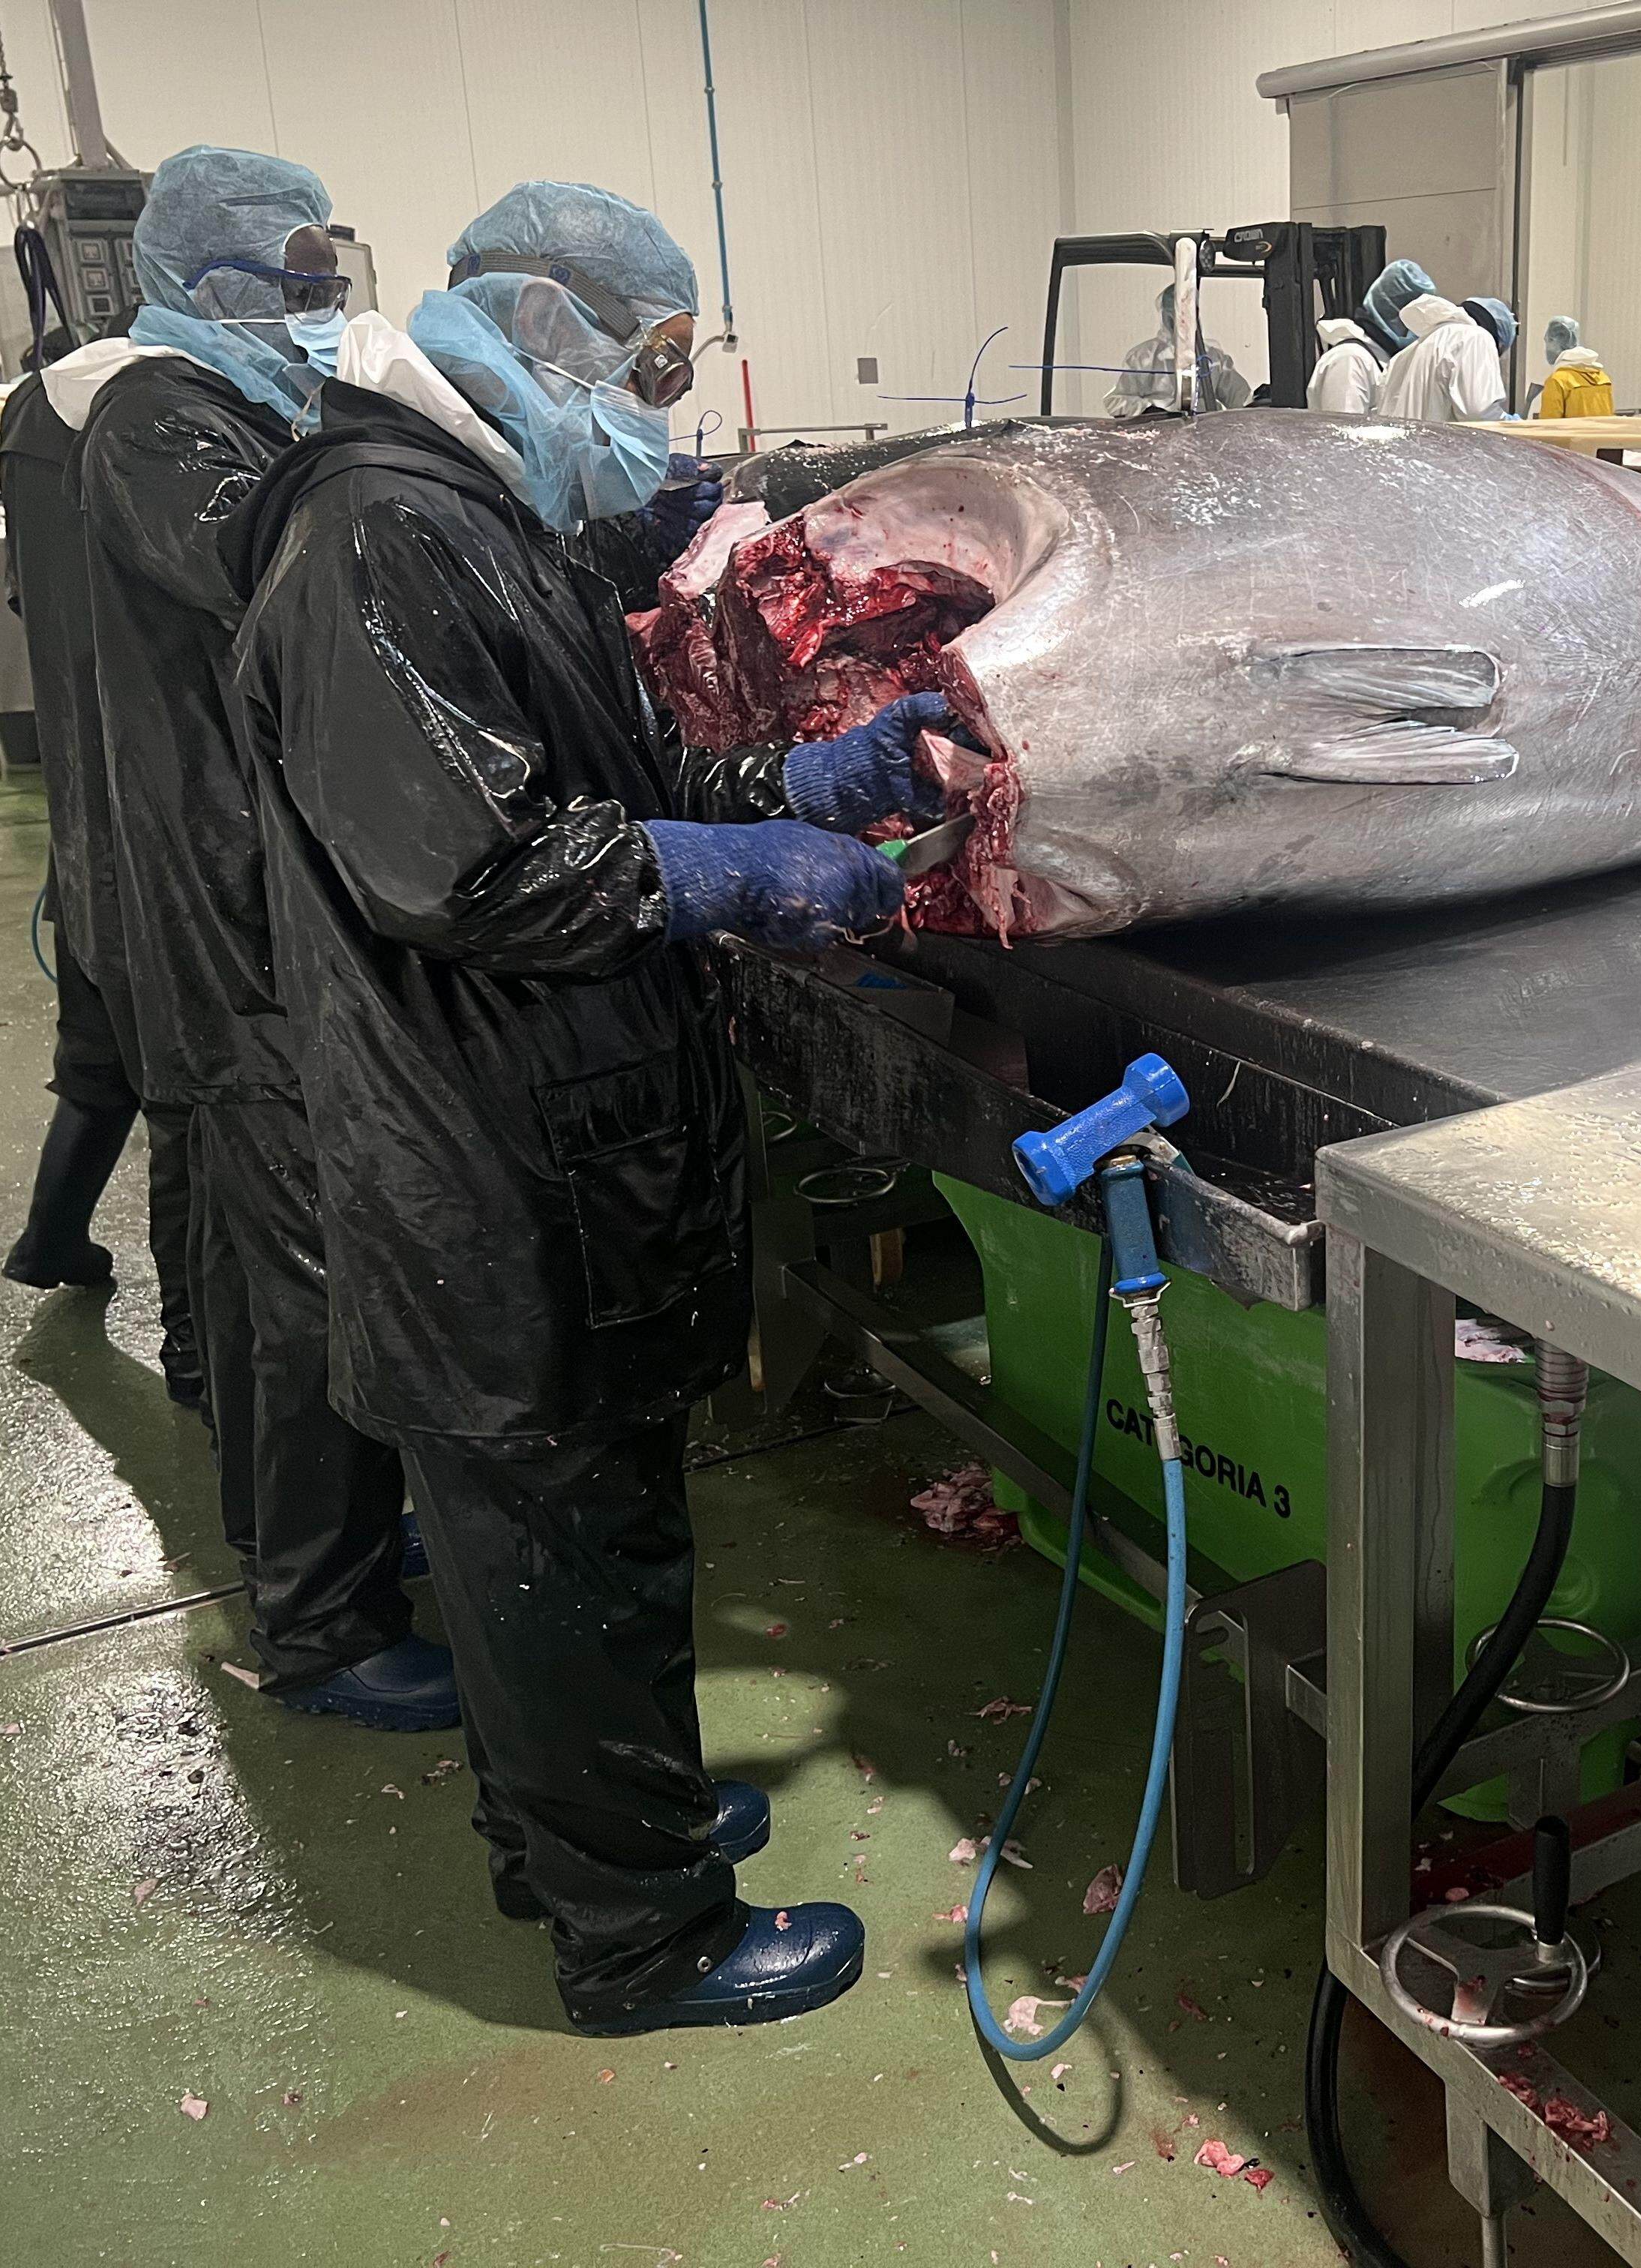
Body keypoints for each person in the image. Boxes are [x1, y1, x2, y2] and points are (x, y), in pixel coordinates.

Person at [219, 180, 946, 2036]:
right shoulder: (378, 536)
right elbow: (476, 866)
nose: (655, 412)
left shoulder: (478, 518)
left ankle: (580, 1831)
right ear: (548, 329)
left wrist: (802, 787)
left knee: (581, 1535)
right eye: (653, 366)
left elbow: (619, 770)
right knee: (557, 1538)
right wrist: (734, 873)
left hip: (545, 1126)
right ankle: (646, 1937)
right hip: (479, 1148)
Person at [48, 146, 447, 1728]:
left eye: (321, 275)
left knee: (258, 1259)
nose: (314, 303)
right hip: (229, 916)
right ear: (205, 277)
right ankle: (324, 1627)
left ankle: (303, 1545)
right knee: (306, 1279)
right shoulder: (157, 415)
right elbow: (280, 571)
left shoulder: (222, 409)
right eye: (291, 279)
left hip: (243, 887)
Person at [0, 375, 202, 1407]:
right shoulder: (160, 427)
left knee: (99, 1046)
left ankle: (50, 1236)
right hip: (164, 817)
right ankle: (194, 1349)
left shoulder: (34, 422)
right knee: (182, 1096)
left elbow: (28, 599)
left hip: (86, 794)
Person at [1305, 256, 1436, 413]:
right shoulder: (1350, 360)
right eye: (1415, 319)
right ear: (1395, 313)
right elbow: (1344, 424)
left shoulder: (1383, 359)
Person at [1103, 283, 1251, 418]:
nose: (1182, 320)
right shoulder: (1144, 357)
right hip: (1158, 432)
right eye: (1176, 313)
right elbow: (1116, 402)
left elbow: (1241, 399)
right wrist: (1149, 411)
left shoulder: (1213, 358)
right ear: (1165, 316)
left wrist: (1259, 400)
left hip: (1206, 431)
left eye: (1188, 312)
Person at [1378, 291, 1514, 422]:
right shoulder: (1475, 338)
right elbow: (1479, 414)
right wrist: (1509, 424)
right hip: (1437, 439)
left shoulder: (1403, 356)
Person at [1534, 314, 1615, 418]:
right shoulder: (1603, 379)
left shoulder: (1557, 382)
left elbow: (1549, 426)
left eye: (1547, 341)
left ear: (1553, 340)